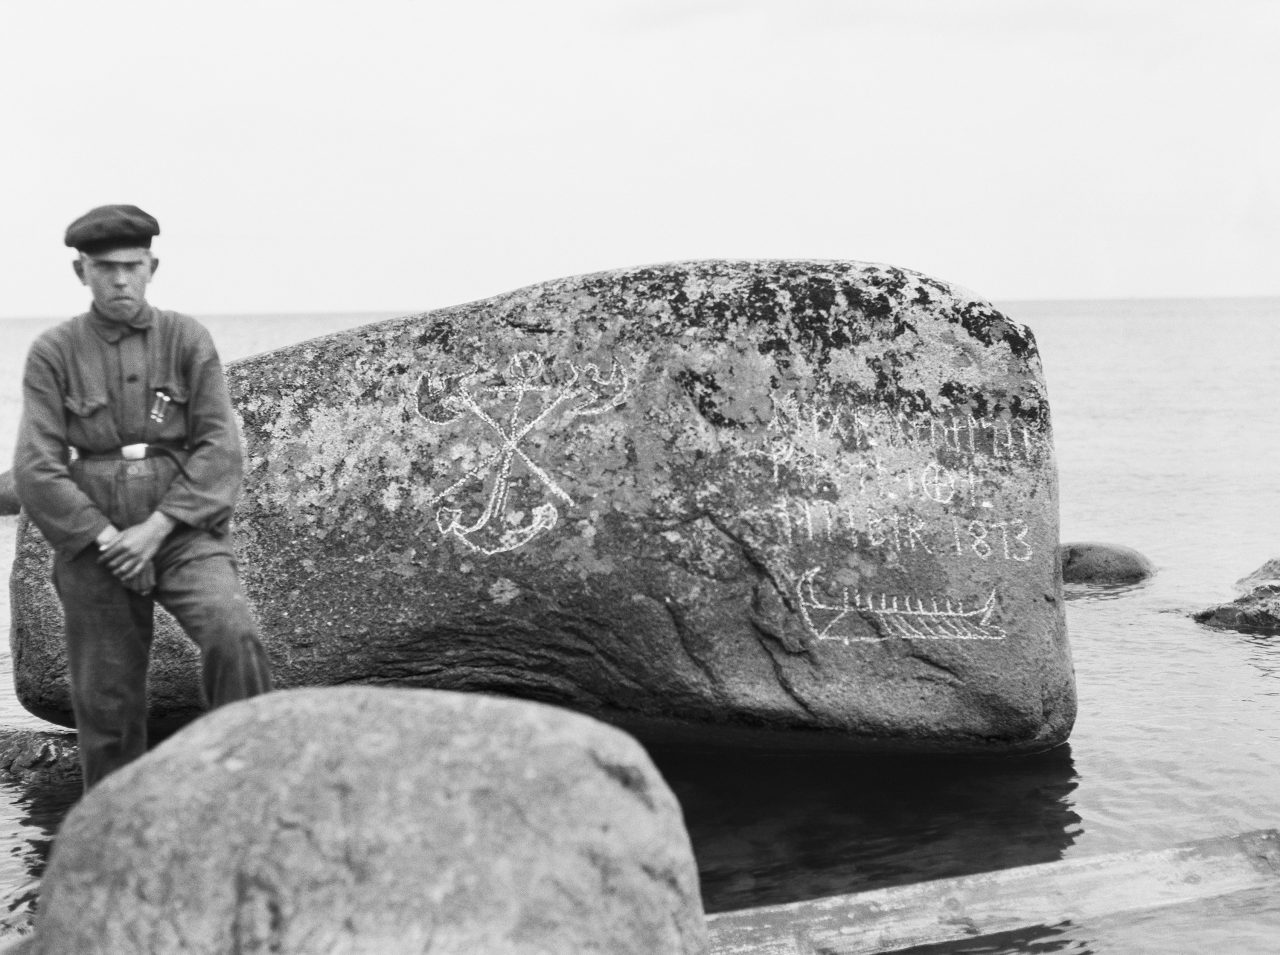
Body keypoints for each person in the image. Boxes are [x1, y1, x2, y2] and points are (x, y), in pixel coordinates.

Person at [13, 204, 272, 789]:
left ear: (152, 265)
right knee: (106, 701)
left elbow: (219, 449)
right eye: (106, 268)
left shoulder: (186, 338)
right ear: (82, 272)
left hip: (180, 532)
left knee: (234, 635)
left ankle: (244, 784)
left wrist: (155, 530)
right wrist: (106, 539)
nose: (121, 280)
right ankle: (111, 832)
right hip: (94, 540)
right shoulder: (54, 352)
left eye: (132, 266)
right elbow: (35, 467)